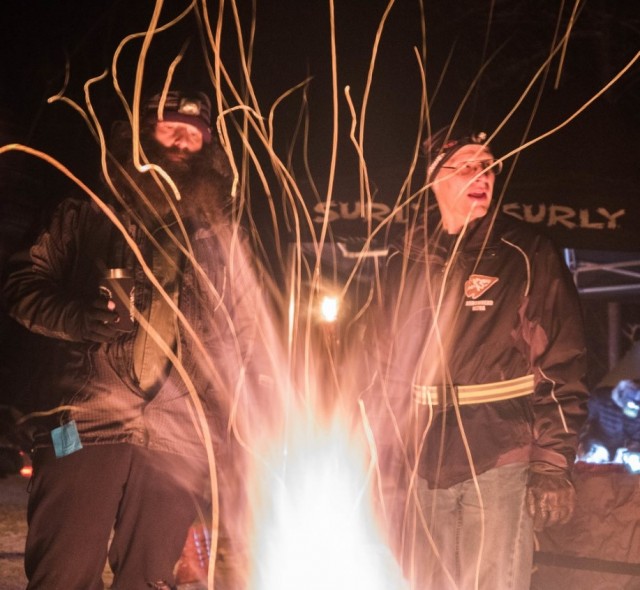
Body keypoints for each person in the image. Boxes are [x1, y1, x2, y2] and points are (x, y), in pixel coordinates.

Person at [2, 88, 266, 589]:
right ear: (143, 136)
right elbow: (20, 285)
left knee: (148, 577)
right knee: (63, 572)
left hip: (178, 432)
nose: (184, 143)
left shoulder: (221, 234)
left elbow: (247, 332)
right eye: (172, 129)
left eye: (195, 134)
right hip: (85, 418)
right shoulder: (86, 207)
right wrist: (76, 317)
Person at [364, 128, 589, 590]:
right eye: (466, 165)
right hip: (423, 454)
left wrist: (552, 462)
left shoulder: (525, 253)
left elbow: (562, 360)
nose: (480, 174)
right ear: (433, 180)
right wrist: (380, 456)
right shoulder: (401, 259)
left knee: (496, 582)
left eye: (487, 165)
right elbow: (382, 367)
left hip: (500, 448)